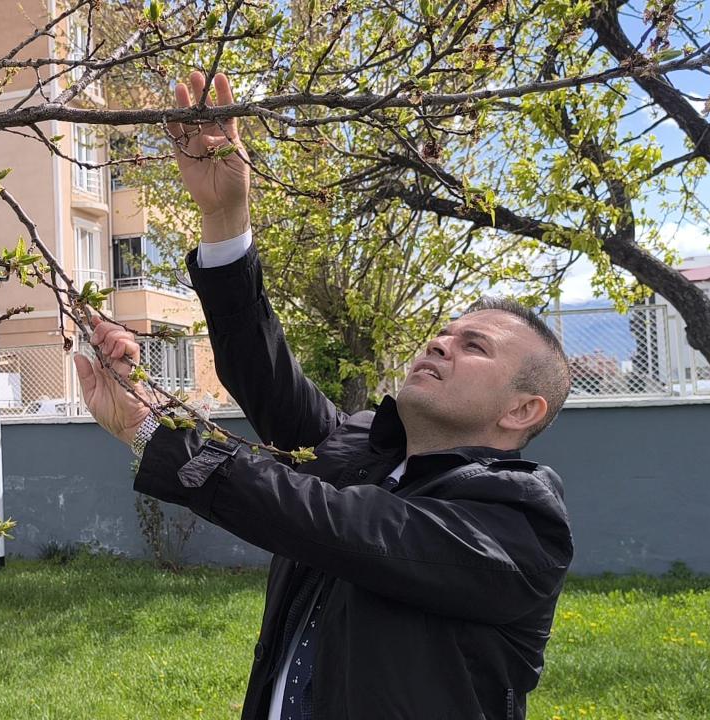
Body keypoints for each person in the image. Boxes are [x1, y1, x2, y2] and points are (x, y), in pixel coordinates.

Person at [73, 71, 574, 720]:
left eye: (474, 346)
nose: (441, 344)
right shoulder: (358, 447)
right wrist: (224, 216)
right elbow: (263, 372)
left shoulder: (520, 527)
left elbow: (337, 523)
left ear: (522, 408)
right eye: (444, 333)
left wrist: (156, 435)